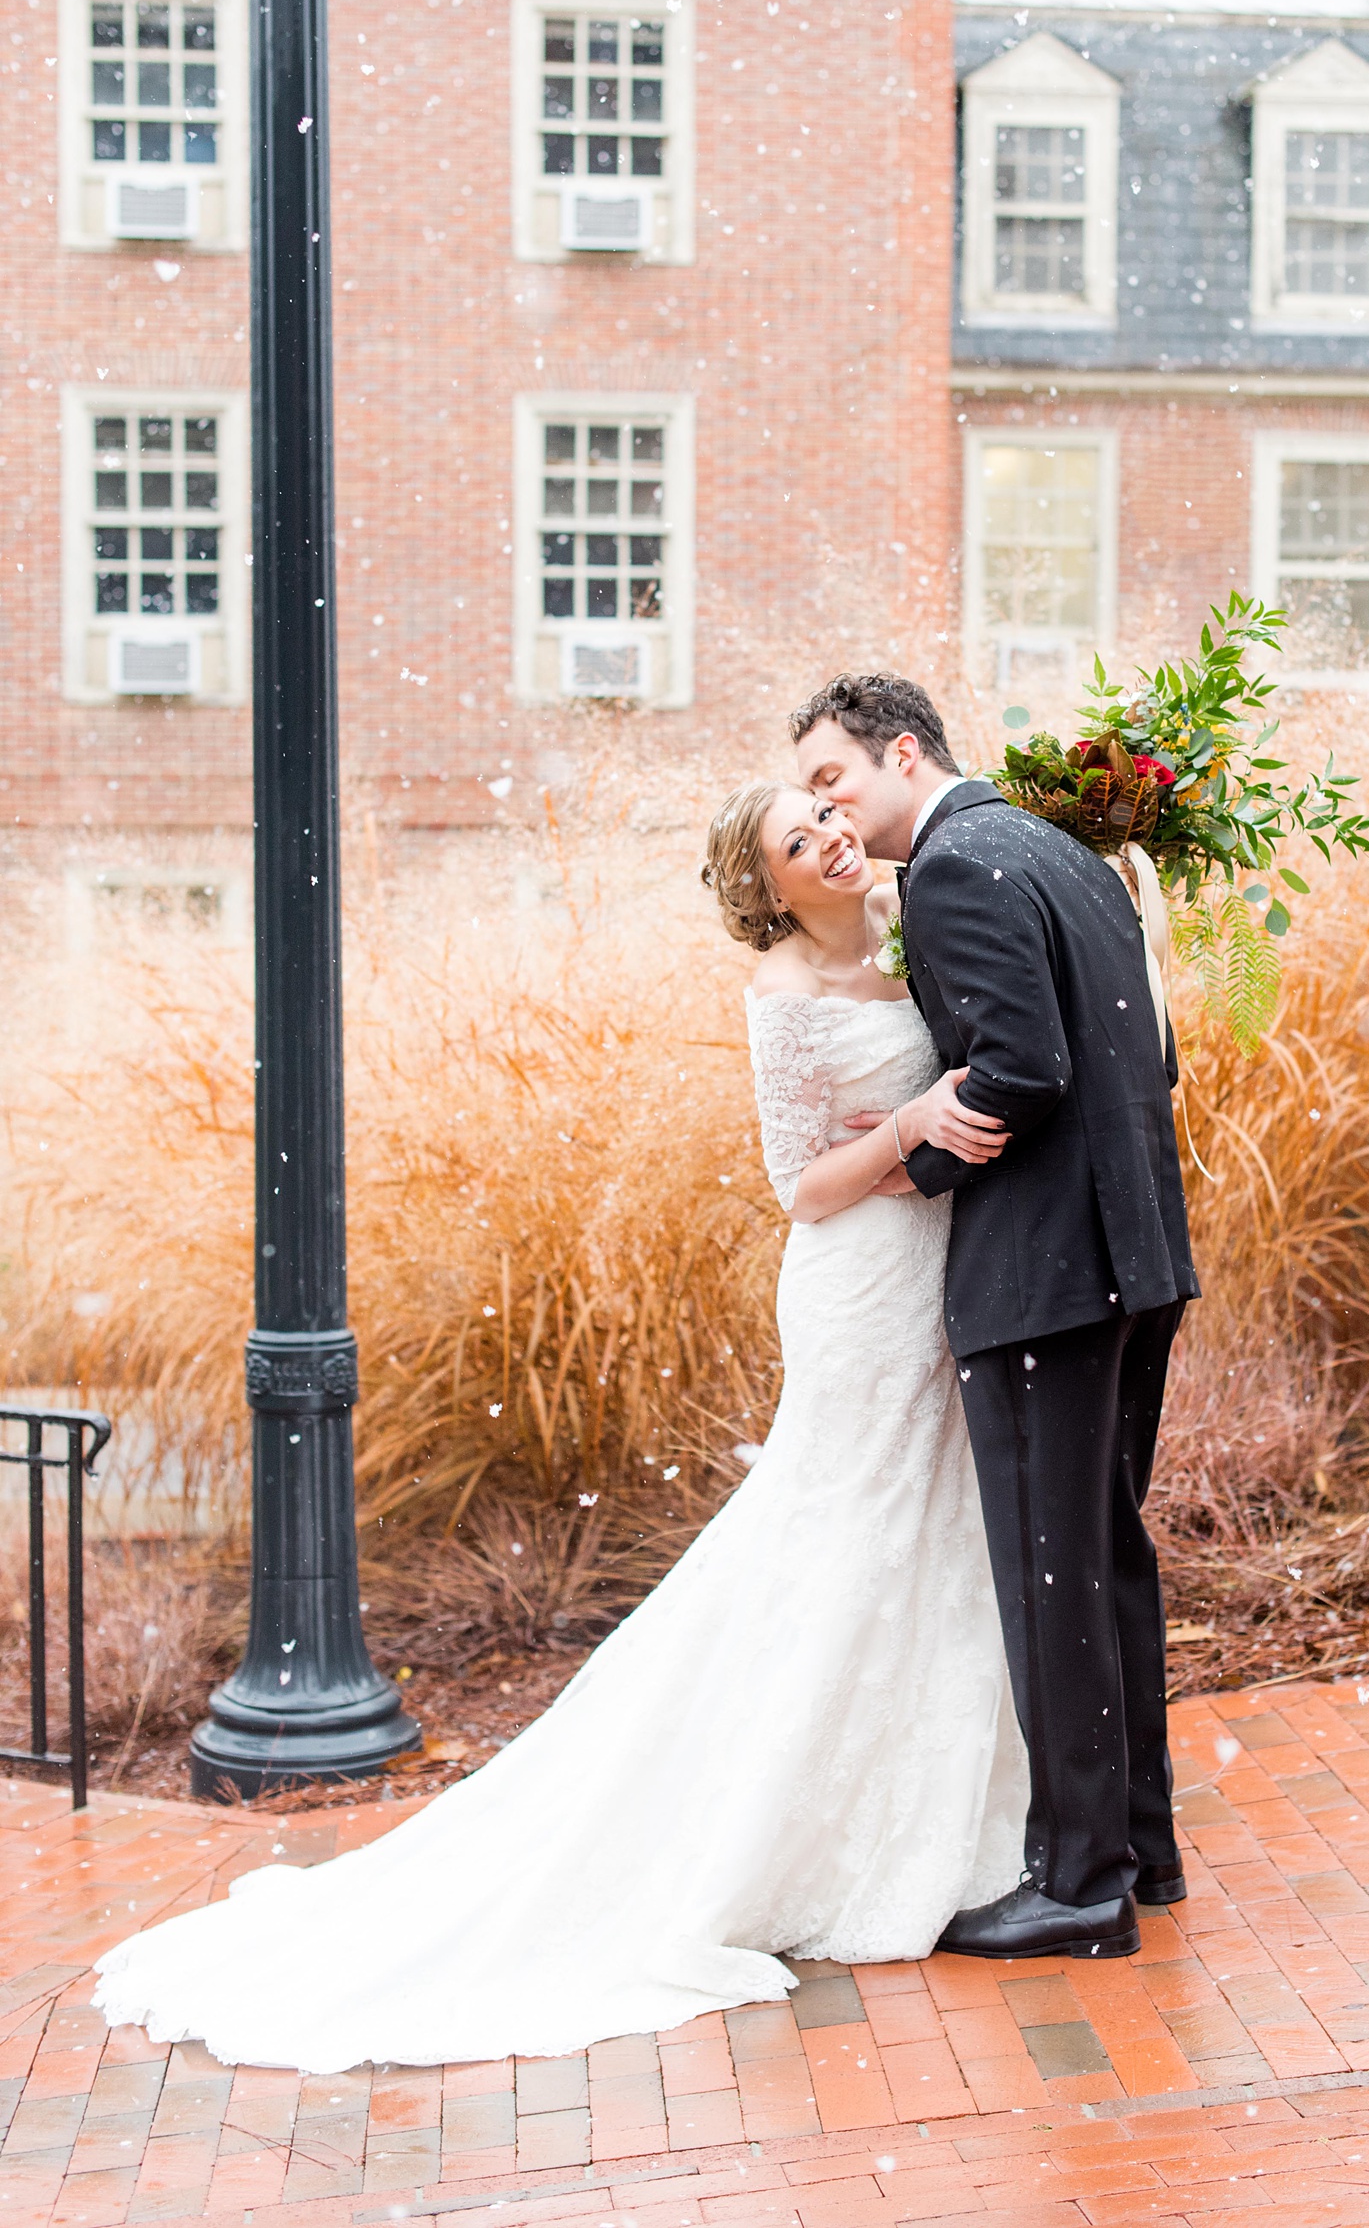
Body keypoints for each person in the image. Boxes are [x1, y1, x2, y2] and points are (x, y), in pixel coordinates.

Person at [92, 781, 1029, 2071]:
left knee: (933, 1531)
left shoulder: (916, 922)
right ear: (768, 889)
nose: (825, 841)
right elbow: (798, 1189)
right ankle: (774, 1831)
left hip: (943, 1274)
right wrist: (916, 1125)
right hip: (861, 1284)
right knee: (844, 1532)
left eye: (823, 819)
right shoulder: (787, 995)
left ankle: (942, 1815)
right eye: (793, 845)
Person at [793, 672, 1198, 1962]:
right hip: (1135, 1258)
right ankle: (1141, 1845)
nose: (828, 805)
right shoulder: (1059, 848)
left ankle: (1079, 1885)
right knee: (1106, 1550)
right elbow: (1155, 1051)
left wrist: (910, 1165)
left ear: (903, 751)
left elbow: (1024, 1067)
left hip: (1045, 1277)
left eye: (833, 779)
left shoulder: (957, 869)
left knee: (1050, 1571)